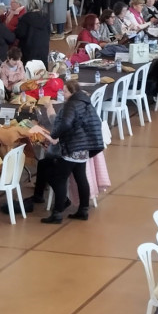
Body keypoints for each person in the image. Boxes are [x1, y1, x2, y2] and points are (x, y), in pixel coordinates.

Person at [41, 79, 103, 224]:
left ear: (72, 92)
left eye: (65, 91)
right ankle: (83, 209)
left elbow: (66, 123)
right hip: (84, 147)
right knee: (81, 177)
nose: (63, 93)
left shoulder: (71, 104)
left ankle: (57, 213)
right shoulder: (86, 103)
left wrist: (54, 135)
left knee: (59, 179)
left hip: (72, 147)